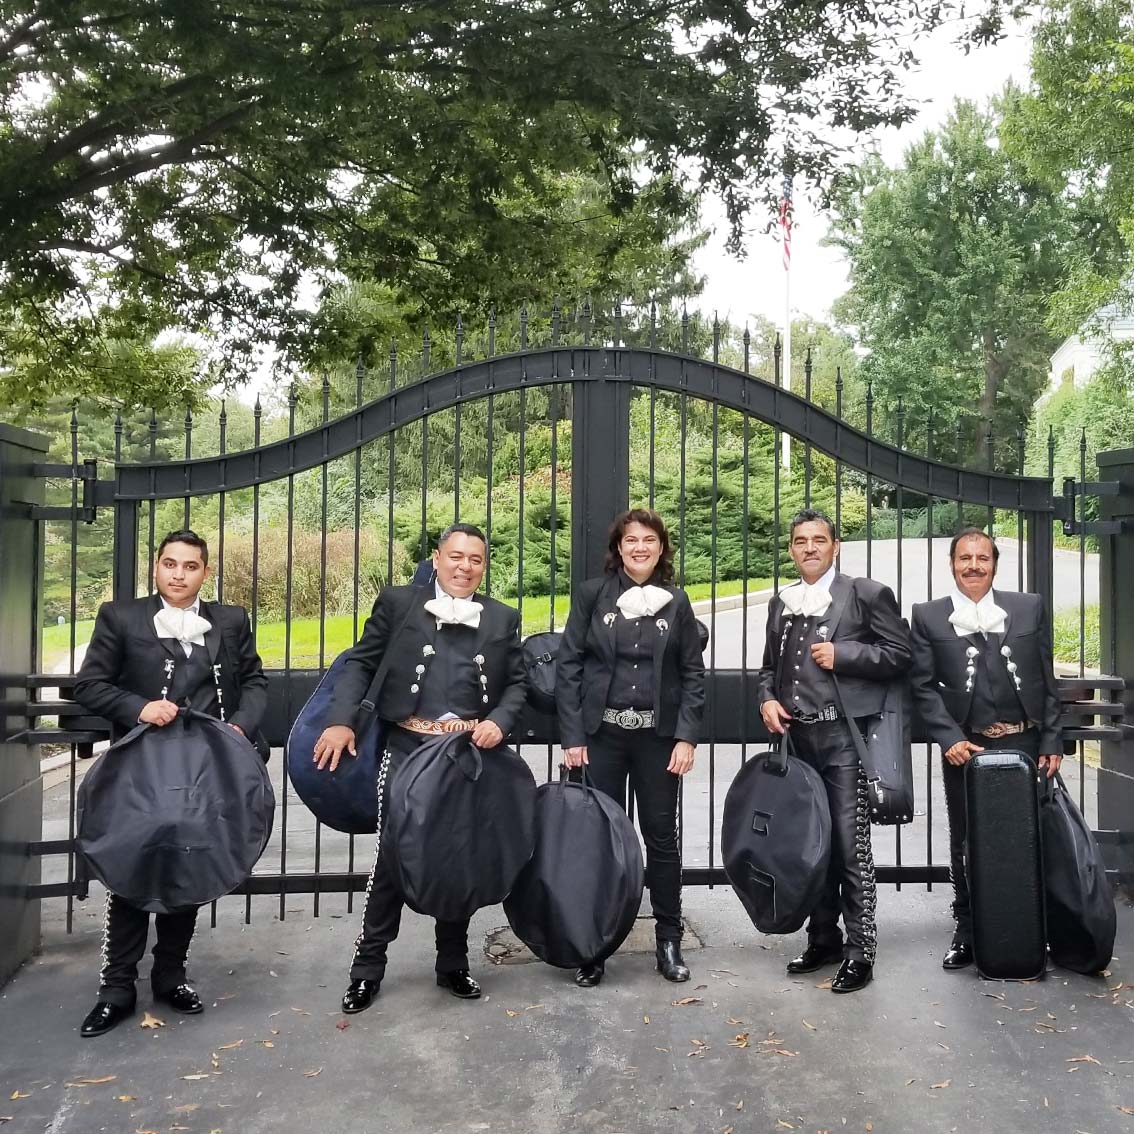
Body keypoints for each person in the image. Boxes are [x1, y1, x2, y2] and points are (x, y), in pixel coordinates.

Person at [314, 523, 528, 1012]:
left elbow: (517, 683)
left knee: (457, 855)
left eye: (475, 558)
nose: (464, 566)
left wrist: (499, 720)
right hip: (409, 745)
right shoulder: (399, 604)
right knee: (393, 856)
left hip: (468, 754)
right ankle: (367, 969)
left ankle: (452, 964)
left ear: (484, 565)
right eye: (456, 556)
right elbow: (360, 664)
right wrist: (340, 721)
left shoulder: (501, 617)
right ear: (437, 558)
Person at [72, 529, 268, 1037]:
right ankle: (116, 987)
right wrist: (139, 707)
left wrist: (239, 728)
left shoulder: (230, 619)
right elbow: (89, 684)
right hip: (142, 765)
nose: (178, 574)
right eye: (170, 564)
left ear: (206, 572)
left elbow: (254, 681)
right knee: (134, 863)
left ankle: (170, 975)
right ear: (156, 568)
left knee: (191, 859)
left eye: (190, 566)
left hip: (207, 765)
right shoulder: (122, 616)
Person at [757, 509, 911, 994]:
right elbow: (767, 669)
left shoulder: (865, 594)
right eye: (800, 541)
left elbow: (901, 655)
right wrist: (766, 699)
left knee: (849, 846)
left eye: (818, 540)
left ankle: (860, 951)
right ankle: (821, 938)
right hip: (796, 741)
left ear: (835, 545)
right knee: (809, 846)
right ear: (790, 549)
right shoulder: (781, 603)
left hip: (844, 740)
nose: (809, 548)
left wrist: (846, 656)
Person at [557, 509, 705, 988]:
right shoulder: (591, 596)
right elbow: (570, 668)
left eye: (649, 540)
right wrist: (574, 736)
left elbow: (691, 675)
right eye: (630, 540)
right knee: (601, 840)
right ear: (618, 548)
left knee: (661, 838)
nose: (639, 547)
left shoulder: (677, 602)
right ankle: (594, 944)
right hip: (603, 738)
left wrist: (686, 736)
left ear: (661, 548)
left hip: (657, 741)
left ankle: (668, 940)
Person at [909, 527, 1063, 971]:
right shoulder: (928, 615)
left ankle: (1035, 927)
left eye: (982, 558)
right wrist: (949, 737)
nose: (973, 566)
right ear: (952, 564)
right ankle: (968, 930)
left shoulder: (1027, 606)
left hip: (1027, 741)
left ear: (995, 563)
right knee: (966, 839)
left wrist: (1052, 738)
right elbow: (921, 687)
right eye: (964, 558)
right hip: (967, 746)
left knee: (1033, 837)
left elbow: (1046, 678)